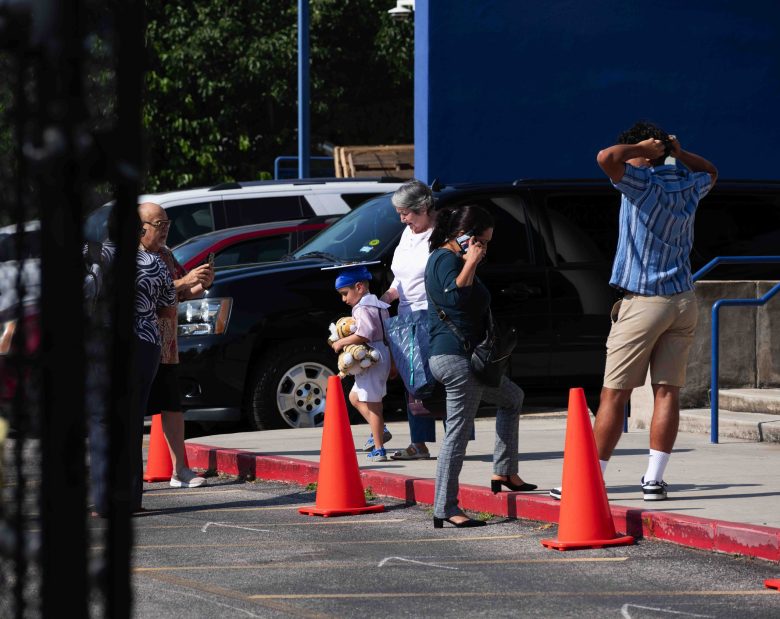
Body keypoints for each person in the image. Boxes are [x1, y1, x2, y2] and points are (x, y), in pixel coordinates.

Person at [584, 120, 717, 502]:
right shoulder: (688, 185)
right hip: (683, 300)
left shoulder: (640, 184)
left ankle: (593, 479)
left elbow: (605, 157)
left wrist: (642, 148)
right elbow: (710, 171)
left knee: (614, 395)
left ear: (643, 154)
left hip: (644, 301)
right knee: (667, 392)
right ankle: (654, 479)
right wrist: (679, 152)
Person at [425, 205, 536, 528]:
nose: (484, 249)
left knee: (512, 397)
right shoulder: (443, 259)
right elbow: (454, 299)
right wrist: (471, 262)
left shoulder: (456, 260)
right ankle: (445, 507)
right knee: (457, 435)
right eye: (482, 242)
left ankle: (504, 470)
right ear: (464, 236)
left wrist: (470, 262)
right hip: (454, 360)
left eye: (486, 244)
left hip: (466, 359)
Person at [138, 202, 214, 488]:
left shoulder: (167, 255)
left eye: (167, 224)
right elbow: (159, 288)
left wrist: (202, 283)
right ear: (141, 228)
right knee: (134, 410)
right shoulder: (133, 258)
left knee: (172, 405)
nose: (164, 230)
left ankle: (180, 469)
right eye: (159, 225)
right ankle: (127, 477)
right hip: (140, 342)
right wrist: (185, 280)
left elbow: (180, 293)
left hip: (166, 343)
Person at [379, 179, 437, 460]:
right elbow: (400, 278)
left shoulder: (440, 234)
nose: (402, 219)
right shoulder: (407, 233)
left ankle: (455, 438)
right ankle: (419, 442)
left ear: (424, 208)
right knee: (412, 380)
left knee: (441, 377)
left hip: (432, 314)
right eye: (400, 213)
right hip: (406, 316)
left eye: (407, 213)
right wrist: (387, 297)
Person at [330, 265, 392, 462]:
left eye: (345, 293)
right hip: (382, 353)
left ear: (359, 287)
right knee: (356, 396)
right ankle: (380, 429)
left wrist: (341, 342)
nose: (344, 299)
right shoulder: (380, 305)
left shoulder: (362, 308)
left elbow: (364, 334)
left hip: (371, 357)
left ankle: (380, 447)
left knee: (373, 405)